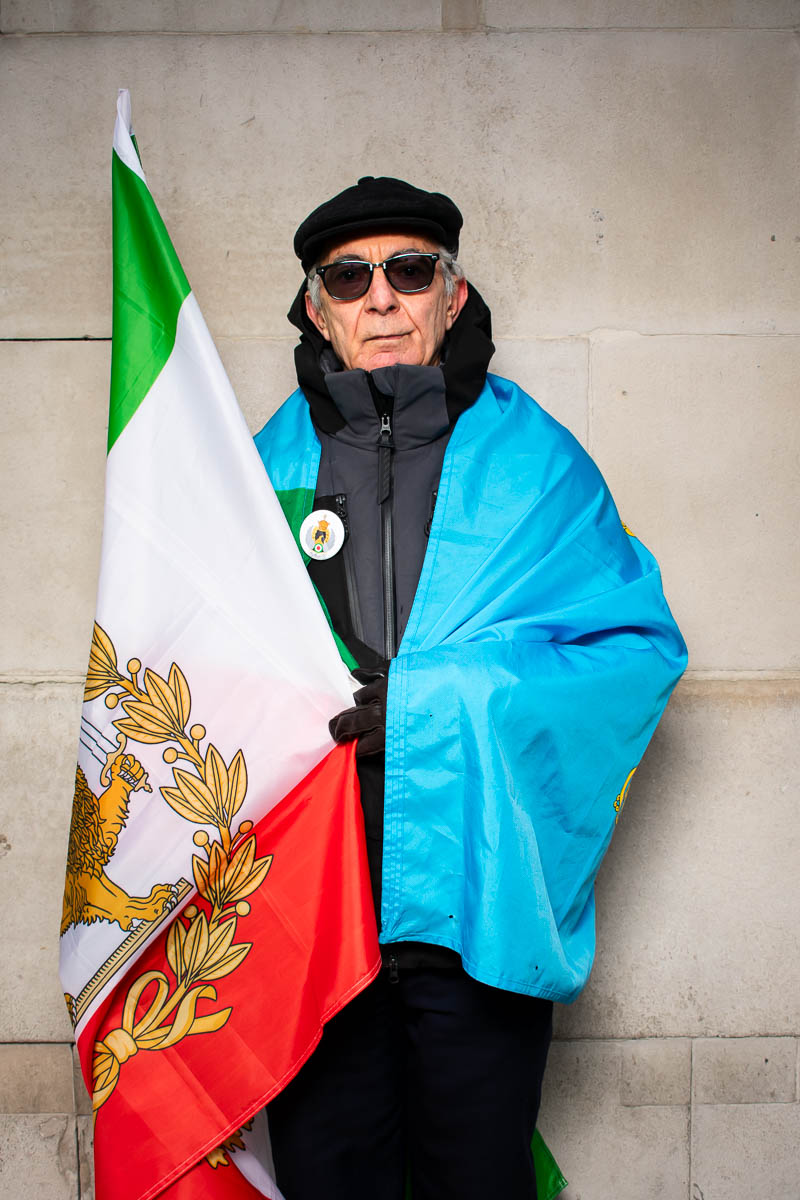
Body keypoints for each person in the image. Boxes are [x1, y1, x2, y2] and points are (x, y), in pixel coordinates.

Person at [254, 176, 687, 1200]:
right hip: (310, 907)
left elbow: (634, 650)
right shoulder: (254, 469)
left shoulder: (537, 462)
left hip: (475, 904)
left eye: (410, 271)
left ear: (450, 295)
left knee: (477, 1181)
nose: (380, 298)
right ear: (316, 307)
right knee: (327, 1181)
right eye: (349, 279)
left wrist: (431, 703)